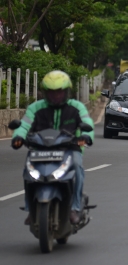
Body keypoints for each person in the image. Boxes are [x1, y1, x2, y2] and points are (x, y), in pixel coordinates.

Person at [11, 70, 94, 225]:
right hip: (40, 149)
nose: (56, 96)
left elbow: (87, 124)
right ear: (45, 92)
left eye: (60, 92)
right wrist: (18, 137)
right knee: (28, 170)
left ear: (67, 92)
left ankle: (74, 208)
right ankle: (30, 208)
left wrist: (85, 137)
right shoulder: (35, 108)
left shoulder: (76, 107)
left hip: (69, 149)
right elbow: (24, 125)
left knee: (77, 167)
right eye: (52, 92)